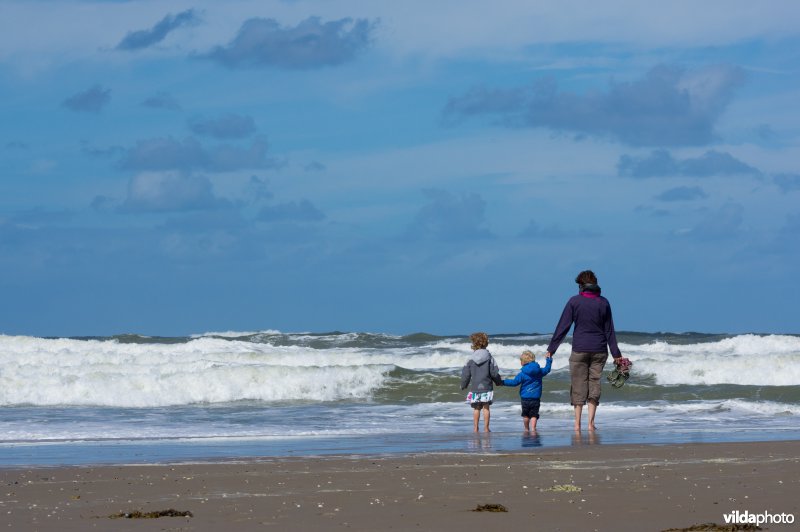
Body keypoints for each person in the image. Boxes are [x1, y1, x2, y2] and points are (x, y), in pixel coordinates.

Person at [545, 270, 626, 432]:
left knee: (578, 385)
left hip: (580, 349)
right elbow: (609, 331)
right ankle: (590, 424)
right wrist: (616, 354)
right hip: (599, 350)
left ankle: (577, 424)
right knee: (594, 383)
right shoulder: (604, 303)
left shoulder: (574, 302)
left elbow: (563, 326)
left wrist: (551, 349)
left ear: (582, 286)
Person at [460, 332, 503, 432]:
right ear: (486, 343)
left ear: (474, 344)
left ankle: (475, 428)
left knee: (476, 408)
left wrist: (463, 384)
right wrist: (498, 381)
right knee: (486, 407)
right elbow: (494, 372)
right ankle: (486, 428)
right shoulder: (489, 357)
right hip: (486, 387)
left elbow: (465, 373)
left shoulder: (470, 359)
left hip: (475, 388)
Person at [503, 350, 552, 432]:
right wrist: (548, 360)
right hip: (536, 398)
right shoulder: (539, 371)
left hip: (525, 398)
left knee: (525, 415)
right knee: (534, 415)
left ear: (523, 362)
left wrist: (503, 382)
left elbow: (514, 382)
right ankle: (533, 429)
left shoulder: (523, 373)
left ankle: (526, 429)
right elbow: (547, 369)